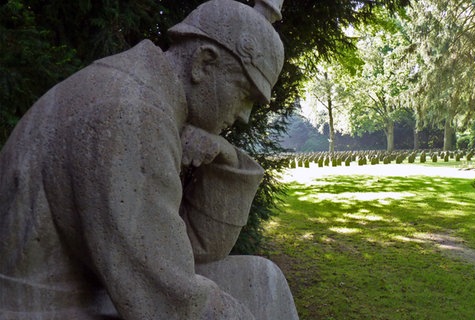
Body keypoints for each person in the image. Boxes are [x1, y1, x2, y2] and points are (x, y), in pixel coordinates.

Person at [0, 0, 297, 319]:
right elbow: (168, 298)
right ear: (203, 63)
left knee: (263, 280)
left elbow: (192, 249)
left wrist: (224, 159)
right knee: (262, 290)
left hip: (87, 290)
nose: (243, 116)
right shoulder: (131, 116)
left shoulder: (140, 93)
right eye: (244, 94)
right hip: (50, 307)